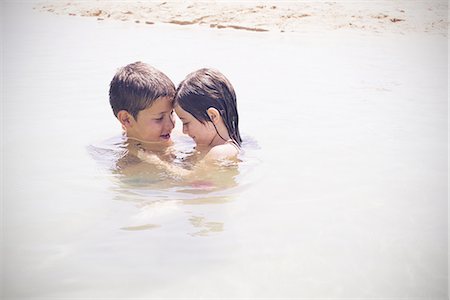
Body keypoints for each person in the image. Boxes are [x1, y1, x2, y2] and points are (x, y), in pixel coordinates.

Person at [138, 68, 242, 177]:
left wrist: (158, 163)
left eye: (186, 123)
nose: (184, 131)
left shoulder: (221, 152)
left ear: (212, 116)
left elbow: (194, 178)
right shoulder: (210, 144)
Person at [109, 62, 176, 167]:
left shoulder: (179, 136)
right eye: (159, 118)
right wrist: (160, 165)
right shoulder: (128, 163)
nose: (171, 125)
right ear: (126, 119)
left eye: (172, 113)